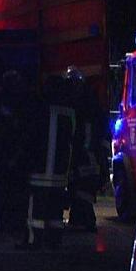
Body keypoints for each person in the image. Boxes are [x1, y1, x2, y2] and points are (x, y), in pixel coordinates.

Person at [21, 76, 76, 250]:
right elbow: (72, 140)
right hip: (60, 172)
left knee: (35, 210)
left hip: (39, 171)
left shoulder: (39, 110)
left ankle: (33, 240)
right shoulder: (69, 112)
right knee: (55, 212)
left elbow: (29, 138)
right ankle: (54, 240)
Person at [66, 66, 111, 231]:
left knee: (82, 189)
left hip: (86, 156)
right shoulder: (88, 104)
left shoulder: (85, 106)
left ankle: (84, 219)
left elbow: (93, 133)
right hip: (84, 155)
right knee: (79, 189)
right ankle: (79, 218)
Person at [0, 70, 33, 235]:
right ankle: (10, 221)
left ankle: (9, 221)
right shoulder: (13, 102)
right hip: (8, 153)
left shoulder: (15, 102)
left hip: (11, 153)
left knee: (10, 191)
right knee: (10, 191)